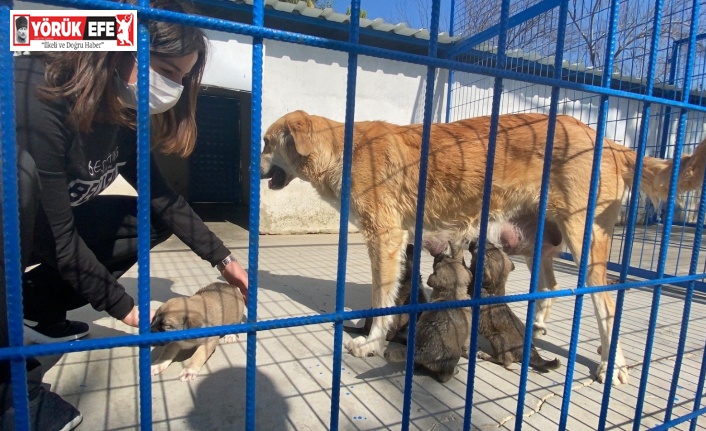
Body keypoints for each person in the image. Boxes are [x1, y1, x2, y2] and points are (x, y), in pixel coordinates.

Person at [0, 0, 249, 428]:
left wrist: (224, 260)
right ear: (121, 48)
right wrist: (129, 311)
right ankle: (9, 392)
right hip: (12, 221)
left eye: (183, 78)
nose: (174, 88)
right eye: (167, 72)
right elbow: (62, 241)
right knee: (16, 179)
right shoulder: (39, 90)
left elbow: (163, 198)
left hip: (40, 225)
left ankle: (36, 304)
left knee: (146, 217)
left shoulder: (122, 110)